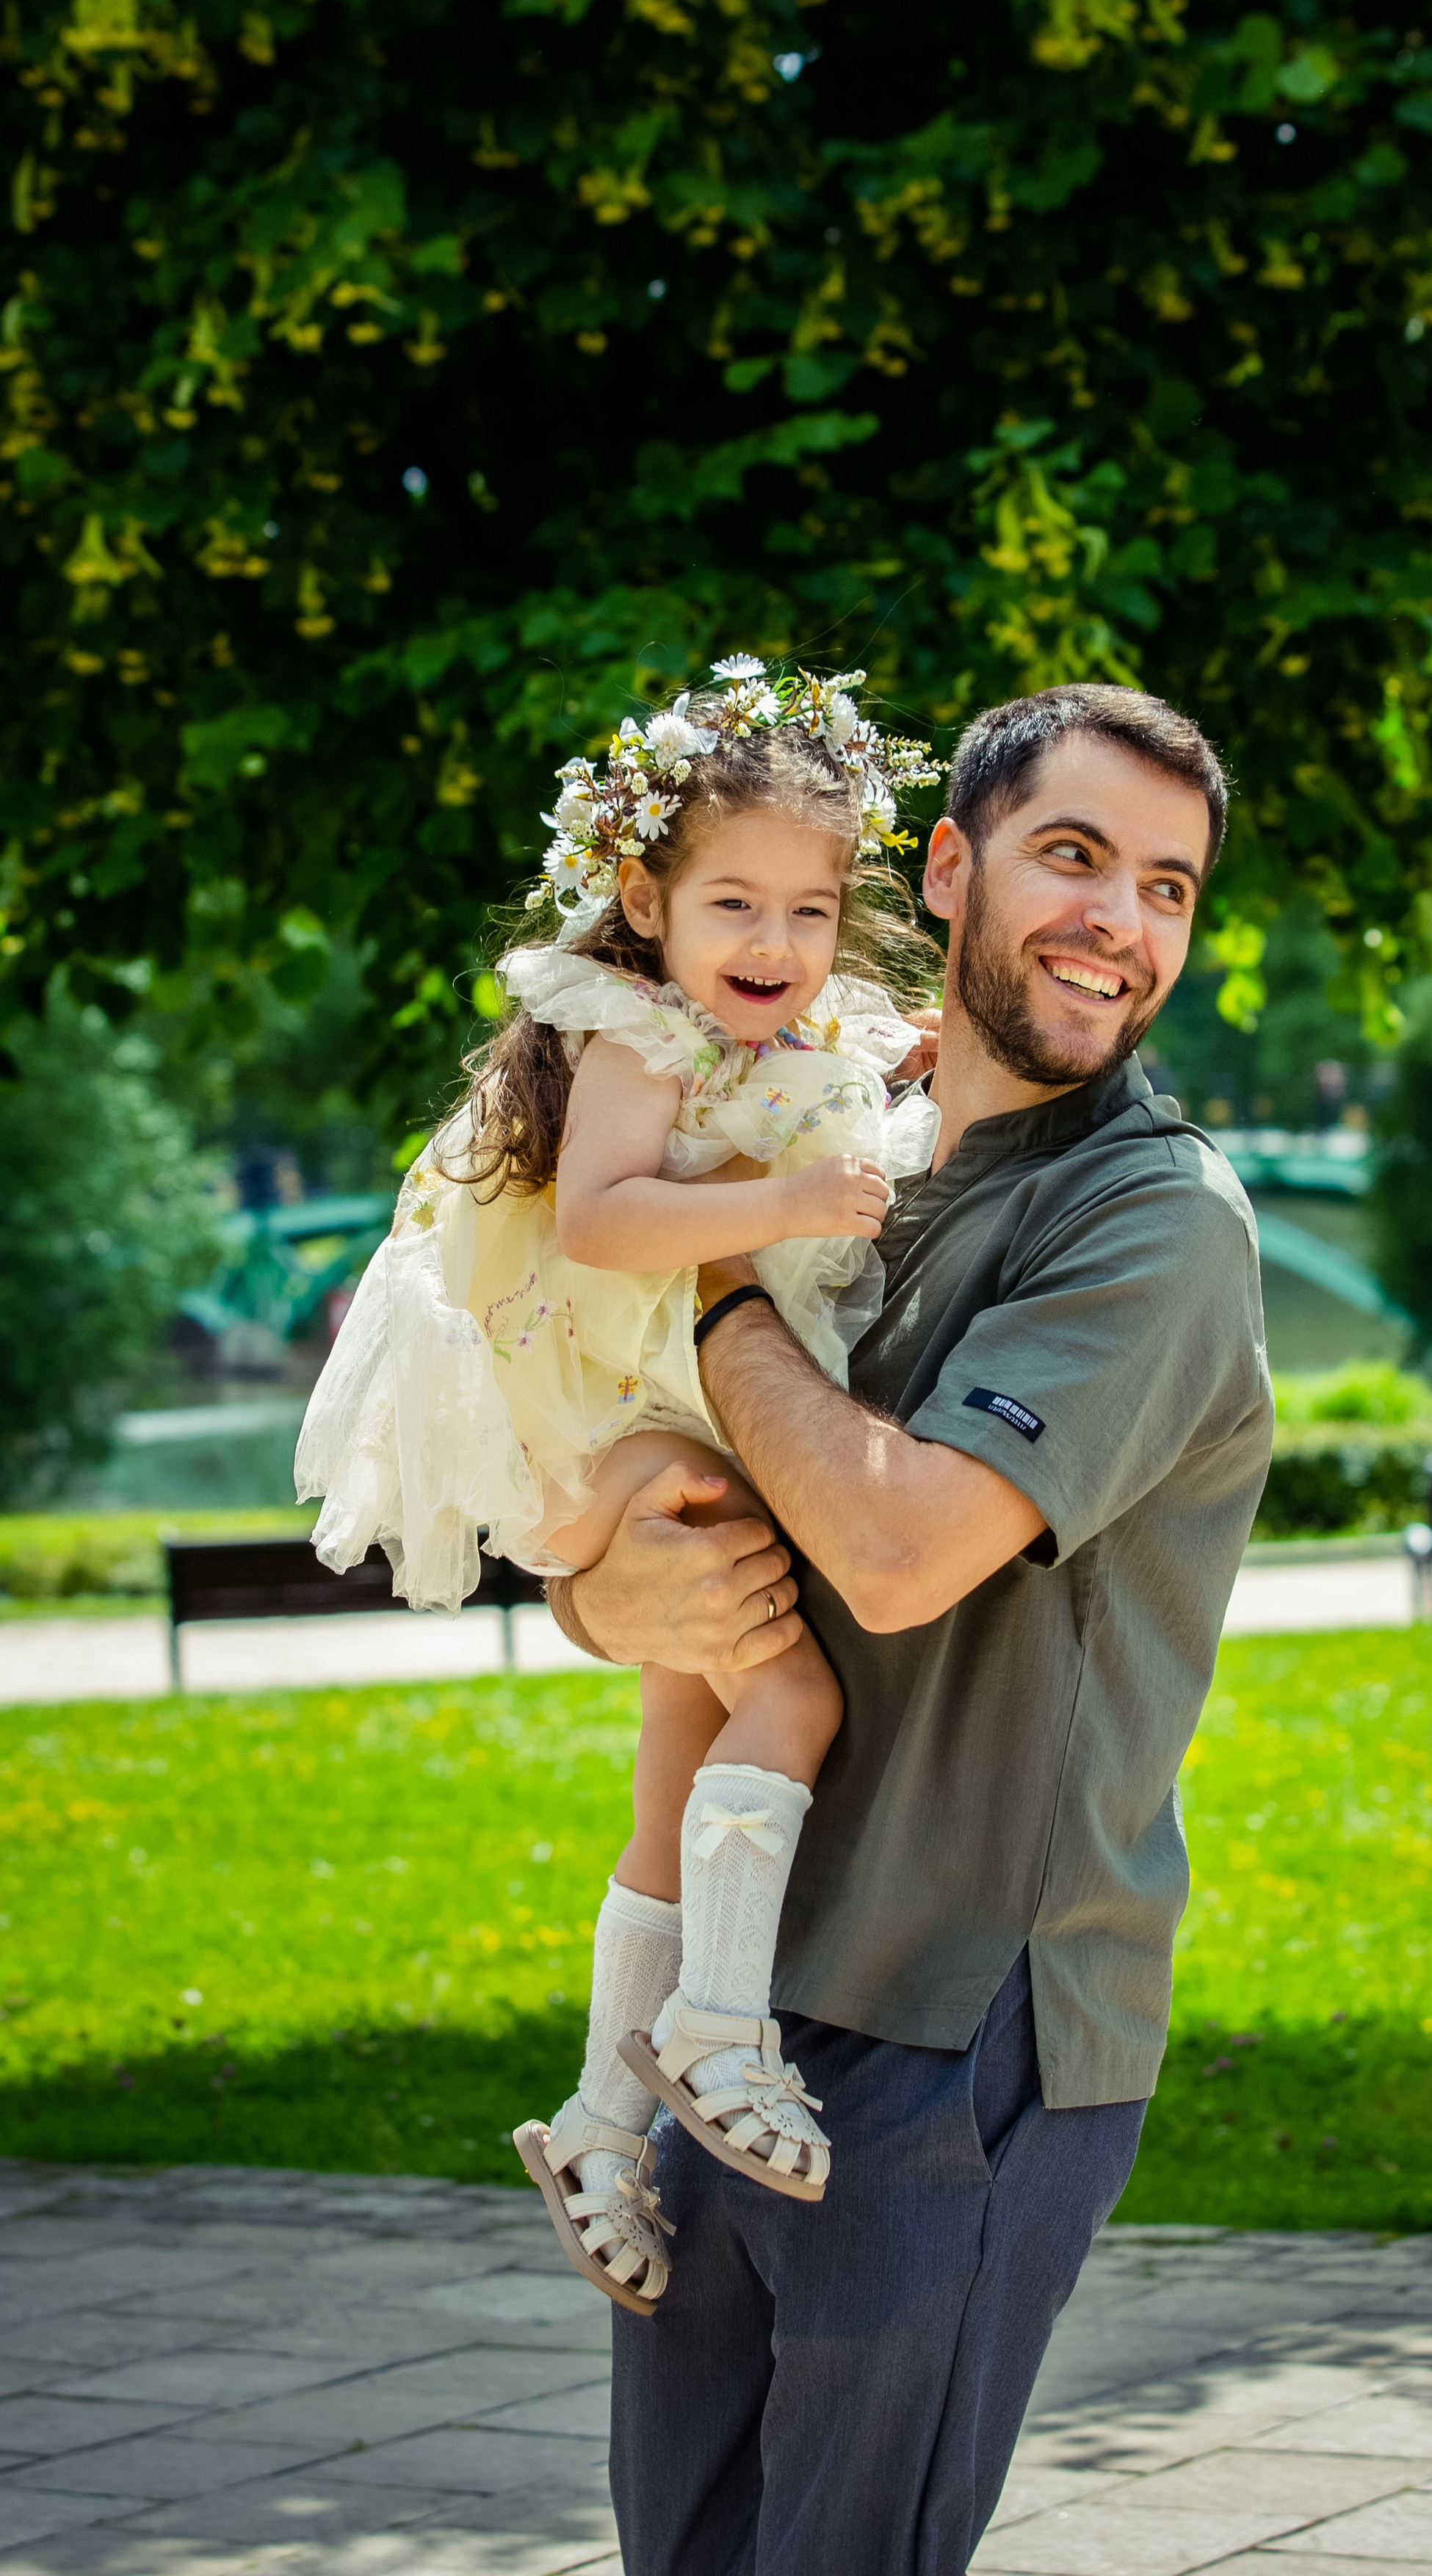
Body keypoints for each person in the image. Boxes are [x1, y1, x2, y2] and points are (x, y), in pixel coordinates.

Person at [543, 682, 1273, 2576]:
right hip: (735, 2009)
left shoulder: (1151, 1216)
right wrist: (600, 1592)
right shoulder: (828, 1132)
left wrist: (708, 1259)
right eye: (1073, 857)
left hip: (956, 2034)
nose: (1121, 920)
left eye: (1169, 887)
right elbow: (652, 1546)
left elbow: (884, 1553)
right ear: (948, 868)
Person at [295, 657, 947, 2307]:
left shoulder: (791, 1032)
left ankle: (596, 2119)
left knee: (681, 1767)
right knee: (789, 1698)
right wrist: (792, 1203)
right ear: (644, 899)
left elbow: (830, 1083)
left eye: (809, 911)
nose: (774, 946)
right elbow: (597, 1222)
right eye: (734, 902)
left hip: (675, 1412)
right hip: (632, 1415)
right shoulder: (635, 1037)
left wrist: (894, 1069)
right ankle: (719, 2038)